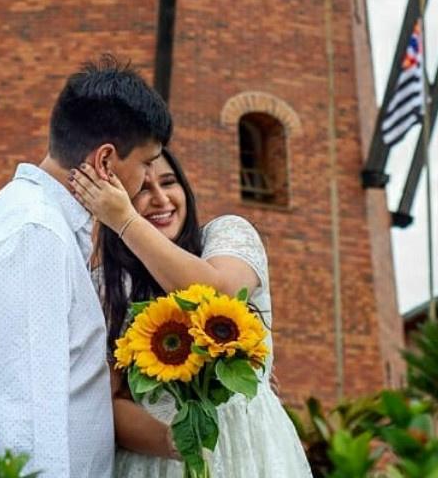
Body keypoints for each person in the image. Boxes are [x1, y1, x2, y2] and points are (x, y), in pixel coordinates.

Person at [0, 56, 173, 478]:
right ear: (106, 161)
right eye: (145, 164)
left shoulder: (38, 222)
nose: (144, 183)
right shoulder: (37, 234)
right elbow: (27, 419)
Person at [70, 150, 313, 478]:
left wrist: (126, 221)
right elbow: (107, 401)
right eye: (141, 189)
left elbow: (218, 297)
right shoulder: (108, 286)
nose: (160, 198)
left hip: (251, 450)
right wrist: (178, 442)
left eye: (169, 183)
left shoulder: (227, 237)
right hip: (161, 462)